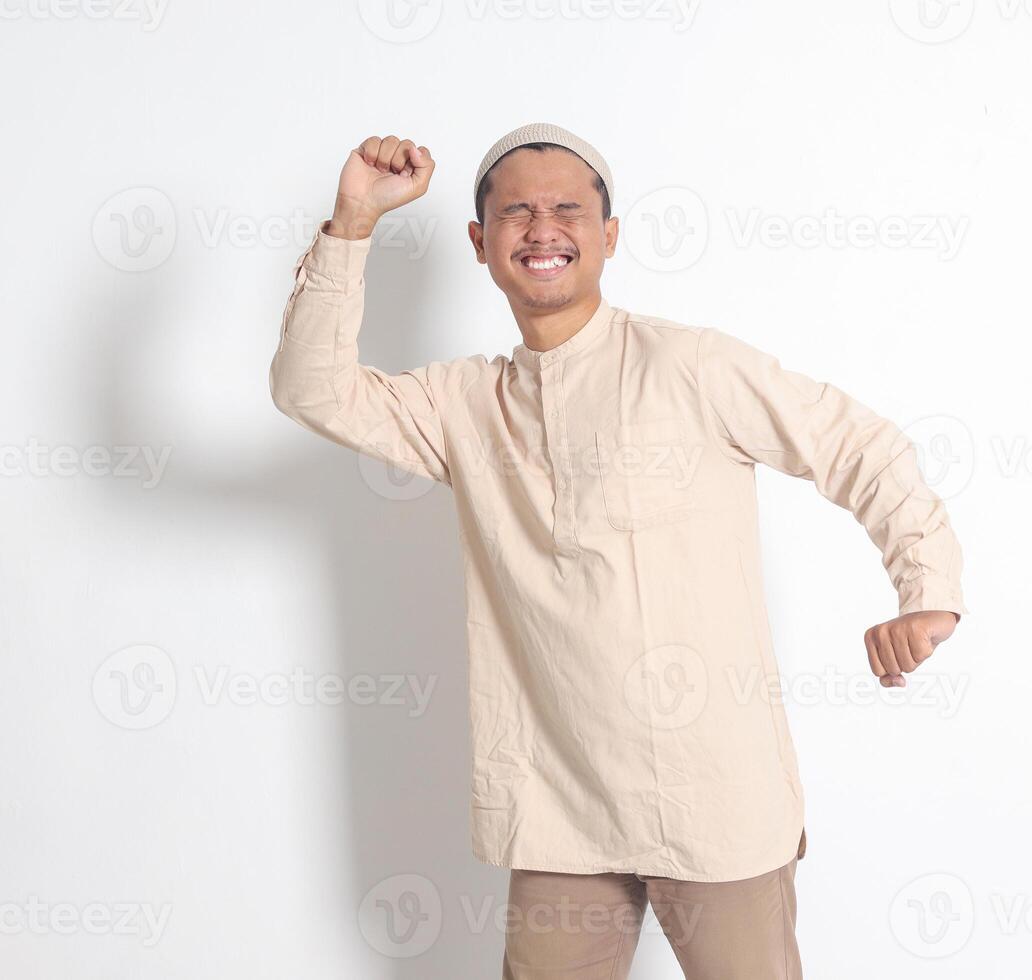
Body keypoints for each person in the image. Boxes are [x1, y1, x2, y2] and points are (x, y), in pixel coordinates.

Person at [269, 122, 968, 979]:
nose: (543, 227)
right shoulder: (464, 403)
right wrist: (353, 222)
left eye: (568, 208)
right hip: (558, 806)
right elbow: (312, 389)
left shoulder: (691, 367)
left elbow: (859, 445)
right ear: (480, 244)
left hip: (715, 797)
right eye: (516, 212)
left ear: (609, 236)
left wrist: (925, 589)